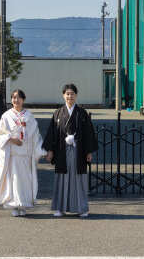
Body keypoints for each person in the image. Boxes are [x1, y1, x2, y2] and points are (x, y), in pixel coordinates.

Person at [43, 83, 98, 218]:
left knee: (79, 179)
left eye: (72, 94)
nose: (70, 96)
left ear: (76, 95)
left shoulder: (82, 113)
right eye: (67, 94)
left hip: (78, 151)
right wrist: (50, 150)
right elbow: (52, 133)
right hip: (62, 151)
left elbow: (88, 133)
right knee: (62, 179)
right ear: (63, 95)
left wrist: (89, 152)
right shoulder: (58, 113)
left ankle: (81, 208)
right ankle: (60, 208)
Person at [0, 89, 46, 217]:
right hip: (12, 155)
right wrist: (11, 139)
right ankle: (14, 205)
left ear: (23, 99)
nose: (16, 100)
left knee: (25, 181)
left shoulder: (29, 116)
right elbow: (0, 133)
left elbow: (36, 135)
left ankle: (24, 205)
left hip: (26, 155)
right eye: (14, 97)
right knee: (13, 180)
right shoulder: (6, 116)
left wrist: (40, 150)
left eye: (18, 97)